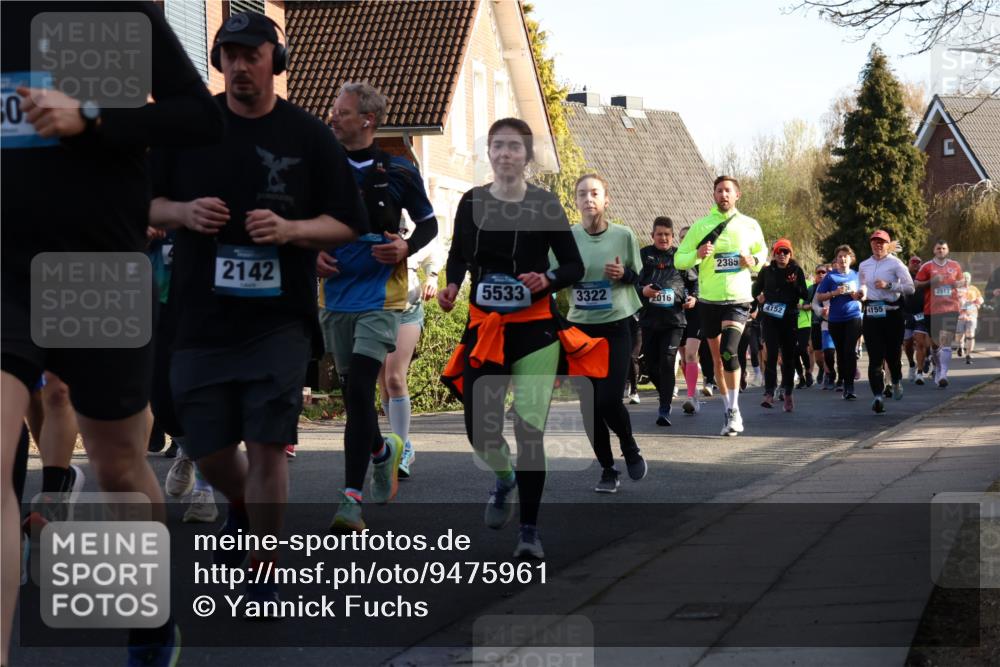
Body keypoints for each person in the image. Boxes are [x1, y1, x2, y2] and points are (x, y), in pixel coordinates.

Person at [1, 2, 225, 663]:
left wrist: (92, 117)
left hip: (97, 264)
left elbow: (198, 116)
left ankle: (152, 622)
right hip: (5, 266)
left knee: (119, 464)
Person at [149, 11, 367, 611]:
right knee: (207, 442)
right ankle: (244, 506)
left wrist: (293, 228)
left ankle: (263, 562)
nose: (241, 65)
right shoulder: (190, 128)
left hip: (278, 319)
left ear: (277, 60)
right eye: (230, 55)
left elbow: (347, 220)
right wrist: (183, 213)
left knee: (268, 441)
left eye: (253, 54)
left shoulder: (308, 136)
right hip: (199, 314)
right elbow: (146, 202)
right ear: (218, 62)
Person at [439, 118, 601, 558]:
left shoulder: (545, 204)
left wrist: (545, 277)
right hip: (485, 329)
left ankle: (529, 531)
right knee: (479, 425)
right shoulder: (471, 201)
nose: (506, 154)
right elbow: (457, 253)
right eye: (498, 146)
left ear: (527, 157)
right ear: (488, 154)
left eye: (515, 147)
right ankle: (504, 477)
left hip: (535, 331)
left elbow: (573, 266)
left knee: (529, 430)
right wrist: (452, 284)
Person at [319, 81, 439, 505]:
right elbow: (295, 221)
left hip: (382, 297)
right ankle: (383, 451)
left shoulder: (400, 170)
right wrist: (311, 252)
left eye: (342, 111)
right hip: (335, 295)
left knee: (359, 391)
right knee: (352, 393)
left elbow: (428, 224)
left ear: (367, 120)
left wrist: (407, 246)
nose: (332, 116)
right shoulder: (319, 165)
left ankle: (350, 499)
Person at [560, 173, 647, 492]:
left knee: (608, 399)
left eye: (594, 193)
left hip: (616, 326)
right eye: (582, 193)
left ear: (606, 199)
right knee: (588, 405)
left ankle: (630, 447)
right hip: (580, 329)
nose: (588, 199)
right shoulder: (567, 237)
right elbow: (554, 277)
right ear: (576, 200)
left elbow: (637, 275)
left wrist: (623, 273)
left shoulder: (623, 235)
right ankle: (608, 469)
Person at [675, 176, 767, 436]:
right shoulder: (701, 225)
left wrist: (754, 259)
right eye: (719, 190)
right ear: (714, 195)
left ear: (737, 195)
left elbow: (763, 253)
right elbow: (679, 259)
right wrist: (697, 254)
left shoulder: (749, 225)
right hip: (709, 301)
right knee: (716, 360)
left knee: (729, 352)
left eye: (728, 190)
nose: (723, 194)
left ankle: (735, 410)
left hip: (737, 300)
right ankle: (727, 408)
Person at [377, 223, 445, 478]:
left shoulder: (412, 222)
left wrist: (432, 276)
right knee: (384, 383)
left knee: (395, 377)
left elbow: (433, 250)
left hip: (407, 310)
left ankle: (400, 448)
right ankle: (402, 441)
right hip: (373, 312)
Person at [638, 217, 699, 427]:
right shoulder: (643, 255)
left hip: (674, 320)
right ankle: (665, 391)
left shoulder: (680, 257)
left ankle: (664, 409)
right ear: (652, 236)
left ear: (673, 237)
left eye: (667, 234)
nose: (663, 238)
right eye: (659, 234)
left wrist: (694, 297)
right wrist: (642, 291)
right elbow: (633, 284)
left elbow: (694, 281)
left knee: (667, 360)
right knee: (650, 365)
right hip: (649, 320)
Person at [857, 230, 915, 413]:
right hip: (872, 313)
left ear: (887, 244)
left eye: (881, 242)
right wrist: (861, 293)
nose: (878, 245)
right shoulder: (864, 265)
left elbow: (910, 288)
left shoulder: (895, 263)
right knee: (874, 357)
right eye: (874, 242)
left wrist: (889, 285)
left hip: (892, 314)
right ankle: (878, 397)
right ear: (871, 244)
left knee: (892, 356)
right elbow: (863, 284)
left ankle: (896, 380)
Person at [752, 239, 809, 411]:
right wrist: (759, 298)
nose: (782, 255)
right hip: (770, 318)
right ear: (773, 254)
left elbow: (805, 294)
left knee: (789, 357)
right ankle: (769, 393)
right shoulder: (767, 271)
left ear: (790, 254)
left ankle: (788, 392)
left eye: (785, 252)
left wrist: (795, 284)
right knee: (771, 355)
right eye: (778, 252)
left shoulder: (796, 270)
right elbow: (755, 290)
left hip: (789, 318)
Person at [913, 240, 964, 388]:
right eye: (938, 248)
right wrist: (931, 281)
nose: (941, 250)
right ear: (934, 250)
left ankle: (943, 375)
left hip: (951, 309)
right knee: (935, 345)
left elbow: (961, 282)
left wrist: (957, 284)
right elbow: (916, 284)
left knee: (946, 343)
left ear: (947, 250)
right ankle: (939, 368)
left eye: (943, 248)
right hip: (932, 310)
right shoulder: (926, 266)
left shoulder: (955, 266)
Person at [816, 245, 864, 400]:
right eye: (840, 257)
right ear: (836, 260)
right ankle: (842, 380)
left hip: (853, 316)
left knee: (849, 351)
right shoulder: (830, 277)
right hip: (835, 320)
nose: (843, 259)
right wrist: (834, 293)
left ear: (851, 259)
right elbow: (820, 297)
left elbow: (863, 295)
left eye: (846, 256)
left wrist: (857, 295)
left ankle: (849, 387)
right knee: (841, 352)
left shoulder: (857, 275)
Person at [901, 256, 925, 381]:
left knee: (921, 342)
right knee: (907, 343)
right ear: (908, 264)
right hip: (907, 313)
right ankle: (911, 364)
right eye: (913, 262)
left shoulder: (925, 276)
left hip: (922, 313)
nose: (916, 265)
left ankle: (920, 372)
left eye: (918, 262)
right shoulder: (903, 276)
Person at [956, 271, 983, 363]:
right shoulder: (957, 290)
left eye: (968, 278)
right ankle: (960, 346)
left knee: (970, 334)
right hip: (960, 317)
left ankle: (968, 355)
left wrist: (978, 302)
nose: (966, 280)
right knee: (959, 335)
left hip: (972, 316)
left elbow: (980, 299)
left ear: (970, 279)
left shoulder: (974, 289)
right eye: (964, 278)